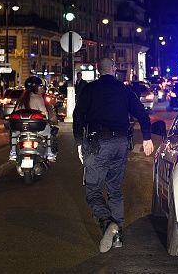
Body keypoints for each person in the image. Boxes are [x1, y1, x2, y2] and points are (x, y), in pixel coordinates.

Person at [73, 57, 154, 253]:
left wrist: (79, 143)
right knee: (115, 189)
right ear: (114, 69)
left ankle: (108, 222)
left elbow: (78, 116)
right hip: (120, 144)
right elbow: (141, 113)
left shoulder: (89, 90)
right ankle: (117, 235)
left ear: (98, 71)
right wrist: (147, 137)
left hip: (98, 143)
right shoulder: (124, 90)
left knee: (93, 190)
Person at [9, 76, 58, 161]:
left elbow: (15, 112)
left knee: (14, 134)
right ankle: (50, 153)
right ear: (36, 88)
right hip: (37, 129)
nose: (42, 89)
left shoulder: (21, 99)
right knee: (49, 133)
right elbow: (45, 113)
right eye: (40, 87)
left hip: (21, 129)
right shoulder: (38, 98)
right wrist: (47, 120)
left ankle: (13, 152)